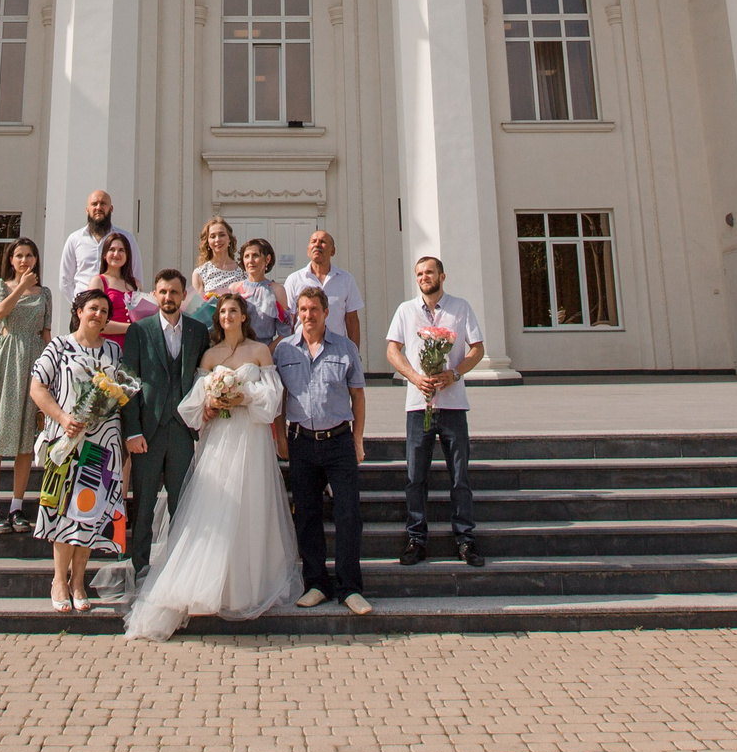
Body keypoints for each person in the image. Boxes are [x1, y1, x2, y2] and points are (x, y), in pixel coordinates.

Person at [125, 291, 303, 641]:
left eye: (233, 311)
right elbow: (192, 404)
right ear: (218, 318)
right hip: (220, 437)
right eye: (222, 312)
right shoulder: (210, 354)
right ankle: (207, 583)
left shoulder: (259, 351)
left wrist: (244, 396)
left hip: (251, 437)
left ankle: (246, 586)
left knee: (250, 506)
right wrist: (211, 400)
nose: (227, 316)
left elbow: (273, 398)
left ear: (243, 316)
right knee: (215, 508)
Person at [29, 288, 132, 613]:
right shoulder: (59, 347)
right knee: (62, 511)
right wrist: (62, 417)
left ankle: (78, 582)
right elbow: (37, 386)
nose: (98, 315)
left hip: (101, 445)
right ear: (79, 311)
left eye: (103, 310)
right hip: (67, 441)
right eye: (93, 309)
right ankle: (59, 580)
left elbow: (123, 389)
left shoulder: (114, 352)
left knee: (88, 512)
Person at [271, 284, 369, 615]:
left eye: (314, 309)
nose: (308, 315)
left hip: (339, 441)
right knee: (308, 515)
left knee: (348, 514)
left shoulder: (345, 348)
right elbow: (279, 397)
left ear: (326, 313)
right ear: (296, 314)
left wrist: (357, 439)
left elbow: (358, 395)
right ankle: (316, 583)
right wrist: (281, 437)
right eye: (303, 310)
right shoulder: (284, 350)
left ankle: (350, 587)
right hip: (301, 443)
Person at [385, 254, 488, 567]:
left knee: (460, 476)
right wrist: (416, 378)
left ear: (442, 276)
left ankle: (465, 540)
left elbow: (477, 348)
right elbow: (392, 350)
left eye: (429, 272)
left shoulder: (460, 308)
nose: (424, 277)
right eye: (419, 274)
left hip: (453, 404)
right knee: (416, 477)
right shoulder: (406, 310)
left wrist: (454, 374)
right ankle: (416, 539)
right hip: (419, 407)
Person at [121, 270, 210, 580]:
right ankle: (141, 567)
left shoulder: (199, 332)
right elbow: (128, 384)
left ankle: (180, 568)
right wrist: (131, 431)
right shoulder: (139, 331)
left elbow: (204, 378)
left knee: (182, 503)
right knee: (143, 505)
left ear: (184, 295)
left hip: (183, 431)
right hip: (147, 431)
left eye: (174, 292)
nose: (168, 297)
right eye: (162, 292)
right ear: (154, 295)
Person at [0, 237, 49, 534]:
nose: (24, 260)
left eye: (30, 255)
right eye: (19, 255)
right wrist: (19, 285)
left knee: (26, 436)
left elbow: (45, 333)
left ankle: (17, 505)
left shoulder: (45, 294)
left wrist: (50, 373)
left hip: (34, 360)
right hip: (7, 361)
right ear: (11, 260)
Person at [283, 229, 363, 349]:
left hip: (337, 349)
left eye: (322, 242)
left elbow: (352, 321)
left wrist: (355, 353)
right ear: (308, 250)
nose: (317, 245)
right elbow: (288, 320)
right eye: (313, 242)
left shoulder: (346, 279)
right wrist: (287, 351)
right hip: (301, 349)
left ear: (333, 250)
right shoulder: (294, 279)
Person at [56, 189, 141, 297]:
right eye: (94, 204)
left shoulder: (126, 239)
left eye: (103, 203)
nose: (98, 207)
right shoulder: (75, 239)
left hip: (116, 307)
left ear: (111, 209)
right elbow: (65, 281)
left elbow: (136, 276)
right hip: (83, 308)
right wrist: (79, 304)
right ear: (87, 210)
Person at [92, 232, 156, 337]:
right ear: (104, 255)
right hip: (107, 346)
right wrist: (132, 328)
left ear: (127, 256)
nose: (116, 254)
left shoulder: (136, 284)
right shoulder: (98, 281)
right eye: (112, 249)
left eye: (121, 250)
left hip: (132, 345)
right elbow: (95, 321)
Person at [191, 217, 245, 324]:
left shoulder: (243, 271)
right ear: (207, 242)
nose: (217, 240)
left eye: (222, 235)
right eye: (212, 236)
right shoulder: (200, 273)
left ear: (229, 239)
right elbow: (198, 309)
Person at [236, 237, 287, 343]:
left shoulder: (277, 290)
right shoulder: (234, 289)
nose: (250, 260)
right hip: (238, 350)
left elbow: (285, 333)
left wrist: (265, 353)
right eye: (246, 256)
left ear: (267, 259)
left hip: (266, 351)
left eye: (255, 255)